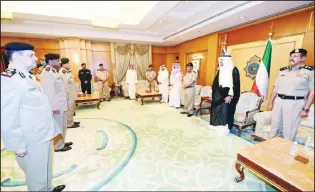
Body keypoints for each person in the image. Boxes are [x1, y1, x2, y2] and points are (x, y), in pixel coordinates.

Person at [1, 42, 66, 192]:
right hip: (31, 138)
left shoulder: (26, 77)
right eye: (30, 55)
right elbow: (6, 117)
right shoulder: (9, 80)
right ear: (16, 57)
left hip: (43, 132)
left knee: (45, 168)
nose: (36, 58)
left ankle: (48, 188)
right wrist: (16, 144)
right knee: (36, 176)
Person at [268, 48, 314, 141]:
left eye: (295, 56)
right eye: (291, 56)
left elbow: (313, 91)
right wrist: (271, 102)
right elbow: (276, 88)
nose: (291, 58)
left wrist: (306, 109)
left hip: (295, 103)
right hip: (279, 101)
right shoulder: (283, 71)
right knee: (275, 127)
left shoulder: (309, 72)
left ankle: (285, 152)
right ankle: (272, 149)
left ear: (303, 58)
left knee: (289, 130)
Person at [41, 53, 72, 152]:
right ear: (50, 61)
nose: (59, 62)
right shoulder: (47, 73)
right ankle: (58, 146)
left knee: (63, 125)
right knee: (58, 126)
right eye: (57, 60)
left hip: (61, 104)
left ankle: (61, 142)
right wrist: (54, 108)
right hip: (57, 106)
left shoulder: (54, 72)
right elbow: (49, 92)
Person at [210, 54, 240, 130]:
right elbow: (215, 83)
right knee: (217, 111)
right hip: (219, 95)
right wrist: (213, 93)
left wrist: (231, 96)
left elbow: (236, 86)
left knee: (226, 113)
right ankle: (217, 126)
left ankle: (226, 128)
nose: (221, 63)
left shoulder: (234, 70)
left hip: (228, 96)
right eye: (220, 61)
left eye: (222, 61)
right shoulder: (220, 70)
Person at [59, 58, 80, 129]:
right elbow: (65, 85)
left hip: (72, 93)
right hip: (68, 95)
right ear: (63, 64)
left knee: (72, 108)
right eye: (68, 63)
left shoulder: (68, 71)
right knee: (70, 109)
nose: (69, 64)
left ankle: (71, 121)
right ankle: (69, 124)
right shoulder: (63, 72)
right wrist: (66, 96)